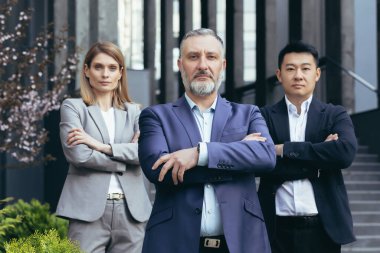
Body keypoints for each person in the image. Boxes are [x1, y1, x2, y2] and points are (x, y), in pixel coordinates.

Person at [138, 28, 276, 253]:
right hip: (174, 242)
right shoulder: (155, 116)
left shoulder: (248, 113)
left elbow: (266, 157)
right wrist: (239, 154)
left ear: (222, 65)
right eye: (194, 57)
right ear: (180, 64)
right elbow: (159, 170)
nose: (203, 65)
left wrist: (199, 154)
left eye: (211, 57)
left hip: (241, 242)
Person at [258, 41, 358, 253]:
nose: (298, 75)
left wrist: (282, 150)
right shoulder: (263, 116)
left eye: (305, 68)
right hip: (275, 230)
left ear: (317, 74)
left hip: (323, 229)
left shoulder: (334, 114)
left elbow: (344, 154)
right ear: (279, 74)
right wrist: (319, 158)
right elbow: (259, 161)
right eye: (291, 69)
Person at [56, 41, 152, 253]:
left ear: (120, 73)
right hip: (87, 212)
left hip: (131, 212)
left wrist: (99, 146)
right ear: (86, 70)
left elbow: (144, 153)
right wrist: (124, 160)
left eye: (112, 68)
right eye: (98, 67)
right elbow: (79, 156)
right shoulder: (73, 107)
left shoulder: (135, 112)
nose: (105, 74)